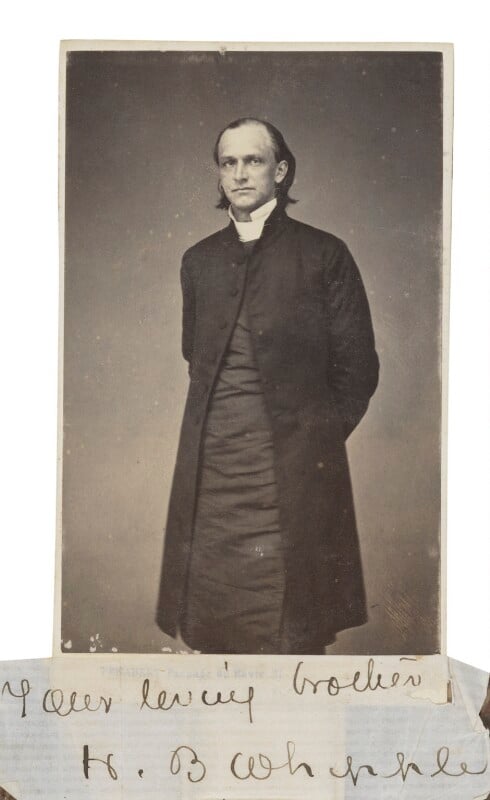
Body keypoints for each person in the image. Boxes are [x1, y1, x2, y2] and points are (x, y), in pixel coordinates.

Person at [156, 117, 379, 655]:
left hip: (292, 481)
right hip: (214, 482)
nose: (239, 173)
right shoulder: (198, 261)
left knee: (292, 638)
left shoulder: (324, 254)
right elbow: (196, 357)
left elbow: (357, 371)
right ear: (219, 174)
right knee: (213, 631)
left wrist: (314, 440)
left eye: (253, 160)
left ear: (280, 171)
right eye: (228, 162)